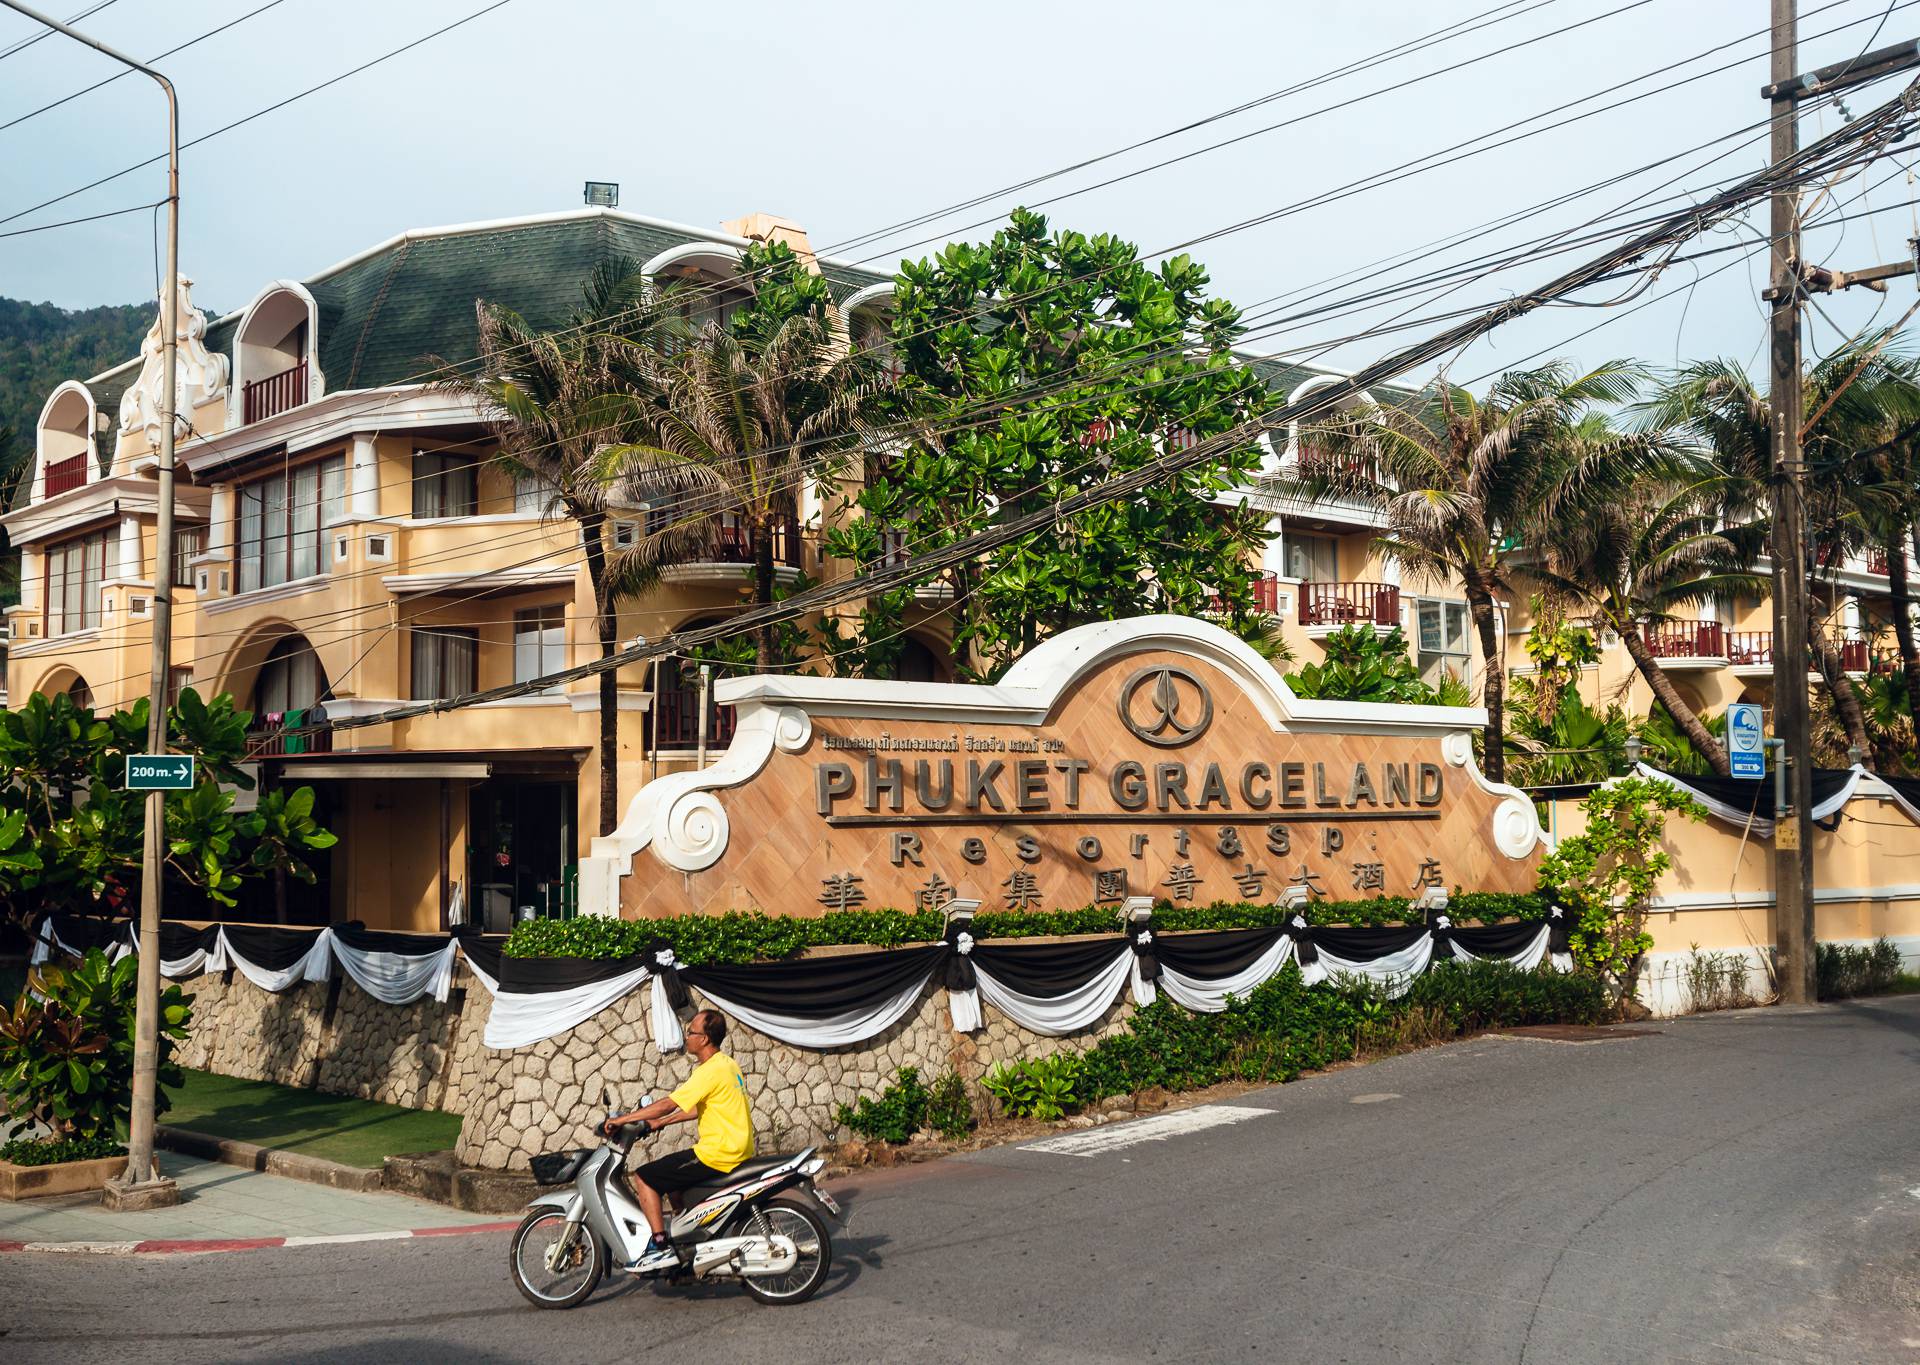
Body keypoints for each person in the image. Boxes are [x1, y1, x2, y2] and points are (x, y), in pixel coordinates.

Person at [603, 1008, 754, 1266]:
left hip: (718, 1153)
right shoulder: (727, 1064)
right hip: (738, 1148)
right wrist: (660, 1123)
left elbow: (669, 1103)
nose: (687, 1036)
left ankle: (659, 1245)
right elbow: (698, 1107)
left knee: (645, 1177)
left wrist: (622, 1119)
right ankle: (686, 1240)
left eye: (691, 1032)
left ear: (704, 1039)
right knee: (673, 1183)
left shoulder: (708, 1071)